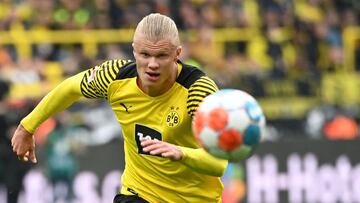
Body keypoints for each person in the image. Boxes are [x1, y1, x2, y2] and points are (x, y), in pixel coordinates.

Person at [11, 13, 228, 203]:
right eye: (145, 54)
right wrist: (27, 126)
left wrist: (181, 153)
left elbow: (218, 163)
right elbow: (70, 88)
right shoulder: (115, 76)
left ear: (177, 54)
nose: (152, 64)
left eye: (161, 56)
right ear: (134, 51)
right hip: (139, 193)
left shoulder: (198, 91)